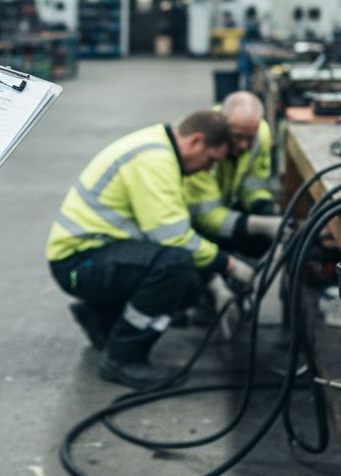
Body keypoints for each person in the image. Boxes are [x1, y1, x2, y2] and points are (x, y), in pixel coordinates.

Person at [46, 110, 257, 389]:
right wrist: (229, 265)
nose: (208, 170)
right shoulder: (155, 161)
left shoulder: (158, 145)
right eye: (211, 160)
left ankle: (102, 319)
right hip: (78, 264)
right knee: (175, 266)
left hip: (90, 257)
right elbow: (174, 238)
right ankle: (123, 359)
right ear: (196, 141)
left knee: (188, 282)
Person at [184, 91, 278, 250]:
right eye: (237, 137)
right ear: (221, 127)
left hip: (223, 207)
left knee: (262, 241)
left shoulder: (261, 134)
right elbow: (207, 215)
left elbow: (253, 186)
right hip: (193, 221)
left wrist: (264, 209)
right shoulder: (201, 145)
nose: (244, 145)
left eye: (250, 138)